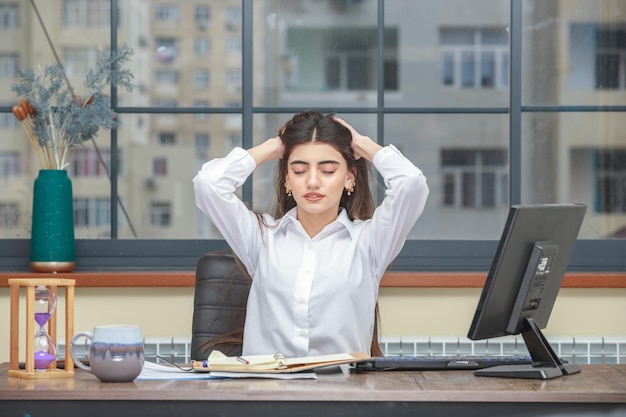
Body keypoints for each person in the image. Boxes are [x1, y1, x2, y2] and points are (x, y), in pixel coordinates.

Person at [193, 110, 429, 357]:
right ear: (287, 179)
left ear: (349, 177)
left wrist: (362, 144)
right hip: (267, 391)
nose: (313, 182)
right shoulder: (262, 239)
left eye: (328, 170)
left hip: (342, 390)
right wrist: (275, 147)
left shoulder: (369, 243)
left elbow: (411, 183)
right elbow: (208, 185)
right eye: (299, 170)